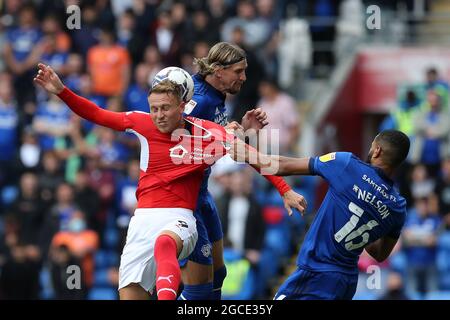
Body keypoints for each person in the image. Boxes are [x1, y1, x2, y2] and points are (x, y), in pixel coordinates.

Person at [33, 63, 306, 300]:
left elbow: (255, 158)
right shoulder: (141, 123)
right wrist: (61, 91)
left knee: (166, 244)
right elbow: (96, 113)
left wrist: (285, 190)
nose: (159, 115)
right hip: (141, 221)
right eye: (154, 108)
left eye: (165, 108)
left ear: (183, 106)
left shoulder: (207, 133)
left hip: (180, 217)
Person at [178, 41, 306, 300]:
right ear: (218, 71)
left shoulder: (216, 97)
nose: (244, 77)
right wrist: (283, 188)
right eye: (238, 71)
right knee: (197, 287)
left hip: (202, 197)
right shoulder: (199, 100)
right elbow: (180, 155)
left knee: (219, 274)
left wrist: (241, 135)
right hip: (185, 201)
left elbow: (231, 151)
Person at [231, 130, 410, 299]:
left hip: (316, 271)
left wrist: (246, 154)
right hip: (346, 281)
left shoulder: (347, 164)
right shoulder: (398, 207)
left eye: (372, 145)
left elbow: (284, 166)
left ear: (377, 150)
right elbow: (379, 253)